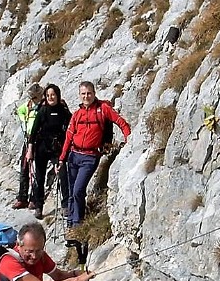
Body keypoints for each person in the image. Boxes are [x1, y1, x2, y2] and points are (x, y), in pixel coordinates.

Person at [58, 81, 131, 228]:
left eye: (89, 93)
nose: (86, 96)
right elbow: (68, 137)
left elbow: (121, 122)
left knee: (78, 189)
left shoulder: (103, 109)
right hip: (73, 155)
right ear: (79, 95)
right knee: (72, 191)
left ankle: (77, 223)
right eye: (83, 94)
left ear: (94, 93)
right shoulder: (77, 114)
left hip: (90, 157)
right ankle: (71, 224)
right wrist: (61, 159)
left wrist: (129, 139)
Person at [26, 84, 71, 213]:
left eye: (53, 95)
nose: (50, 97)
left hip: (58, 148)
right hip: (42, 147)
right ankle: (38, 205)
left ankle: (66, 204)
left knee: (63, 175)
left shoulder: (63, 111)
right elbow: (33, 132)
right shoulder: (43, 111)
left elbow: (72, 126)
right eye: (48, 95)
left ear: (57, 96)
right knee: (39, 177)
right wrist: (30, 151)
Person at [11, 84, 43, 209]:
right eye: (31, 97)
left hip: (40, 140)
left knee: (36, 170)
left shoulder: (43, 107)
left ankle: (34, 199)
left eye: (34, 97)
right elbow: (20, 110)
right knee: (24, 168)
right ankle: (22, 197)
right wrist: (23, 118)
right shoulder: (28, 106)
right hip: (28, 139)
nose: (32, 100)